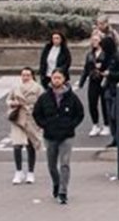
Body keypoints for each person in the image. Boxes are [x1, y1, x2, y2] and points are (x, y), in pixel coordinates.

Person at [31, 69, 84, 204]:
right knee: (52, 165)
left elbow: (80, 113)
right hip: (50, 135)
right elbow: (37, 113)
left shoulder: (71, 97)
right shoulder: (44, 97)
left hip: (67, 135)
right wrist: (45, 125)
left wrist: (71, 125)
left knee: (65, 163)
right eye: (54, 78)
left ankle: (63, 191)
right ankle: (56, 182)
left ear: (64, 79)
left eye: (59, 78)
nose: (56, 80)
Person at [7, 67, 44, 185]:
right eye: (23, 75)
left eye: (28, 75)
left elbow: (43, 102)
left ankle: (30, 172)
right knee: (17, 145)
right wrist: (13, 103)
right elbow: (8, 100)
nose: (25, 77)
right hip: (18, 118)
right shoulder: (16, 87)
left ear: (32, 76)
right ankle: (18, 171)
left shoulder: (37, 88)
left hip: (31, 119)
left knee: (30, 146)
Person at [98, 37, 119, 146]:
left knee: (115, 115)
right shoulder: (105, 58)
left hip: (117, 89)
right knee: (110, 116)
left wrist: (110, 74)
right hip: (108, 88)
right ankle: (115, 138)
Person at [78, 32, 110, 137]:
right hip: (93, 81)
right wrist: (81, 82)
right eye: (92, 40)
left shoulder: (106, 53)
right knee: (92, 103)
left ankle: (106, 124)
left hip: (103, 80)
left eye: (96, 40)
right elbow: (86, 69)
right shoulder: (90, 54)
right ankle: (95, 124)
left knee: (104, 103)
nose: (94, 42)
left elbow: (109, 65)